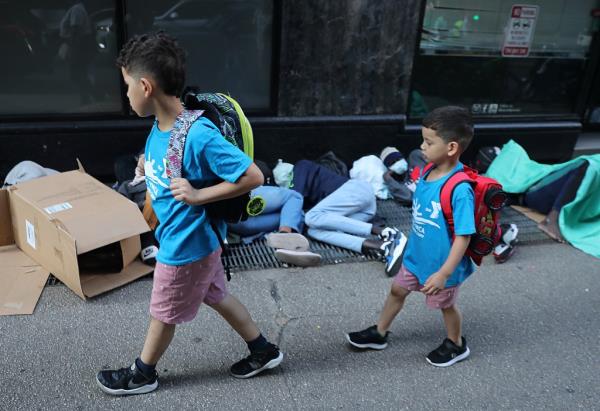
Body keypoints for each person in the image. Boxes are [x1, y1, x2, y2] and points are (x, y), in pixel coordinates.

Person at [96, 32, 283, 396]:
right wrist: (145, 166)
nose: (127, 94)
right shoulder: (164, 124)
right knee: (217, 295)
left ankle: (142, 373)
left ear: (146, 86)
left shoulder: (199, 134)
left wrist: (198, 196)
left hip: (186, 245)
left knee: (163, 311)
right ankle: (263, 350)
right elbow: (170, 159)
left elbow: (253, 175)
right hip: (193, 239)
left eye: (127, 86)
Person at [346, 106, 476, 367]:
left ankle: (456, 343)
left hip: (441, 266)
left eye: (429, 142)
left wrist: (443, 274)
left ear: (451, 148)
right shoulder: (428, 171)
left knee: (446, 305)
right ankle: (379, 333)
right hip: (416, 257)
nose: (422, 146)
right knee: (397, 290)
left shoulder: (460, 189)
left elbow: (464, 237)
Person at [291, 159, 405, 274]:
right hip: (362, 210)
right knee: (314, 231)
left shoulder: (301, 166)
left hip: (357, 190)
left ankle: (387, 232)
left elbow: (295, 200)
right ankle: (382, 247)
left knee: (311, 217)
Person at [227, 185, 322, 267]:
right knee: (294, 197)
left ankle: (285, 244)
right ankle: (285, 237)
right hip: (240, 200)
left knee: (294, 215)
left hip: (235, 224)